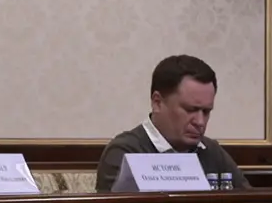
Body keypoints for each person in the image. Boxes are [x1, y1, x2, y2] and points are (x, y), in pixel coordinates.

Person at [96, 54, 250, 190]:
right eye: (190, 110)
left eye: (206, 111)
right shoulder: (125, 152)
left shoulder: (211, 151)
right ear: (157, 103)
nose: (200, 122)